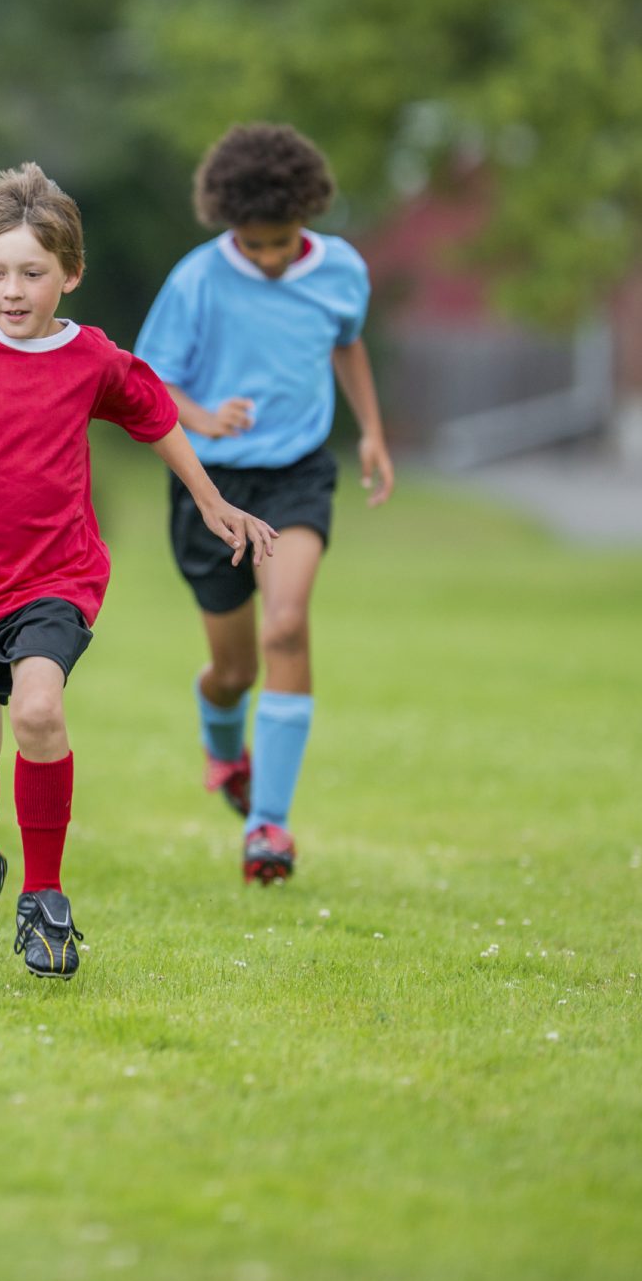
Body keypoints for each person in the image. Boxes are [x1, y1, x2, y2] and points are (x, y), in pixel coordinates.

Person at [0, 163, 275, 980]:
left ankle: (45, 895)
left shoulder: (90, 358)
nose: (13, 289)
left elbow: (157, 416)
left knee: (39, 709)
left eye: (33, 273)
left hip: (56, 575)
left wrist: (212, 502)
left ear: (70, 274)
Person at [135, 123, 392, 884]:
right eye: (256, 245)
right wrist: (203, 416)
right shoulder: (195, 281)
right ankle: (223, 745)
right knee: (233, 671)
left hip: (296, 476)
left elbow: (348, 342)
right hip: (211, 490)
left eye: (283, 241)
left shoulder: (342, 270)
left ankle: (268, 826)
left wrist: (372, 431)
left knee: (287, 624)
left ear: (307, 216)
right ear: (229, 226)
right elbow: (147, 384)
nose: (273, 258)